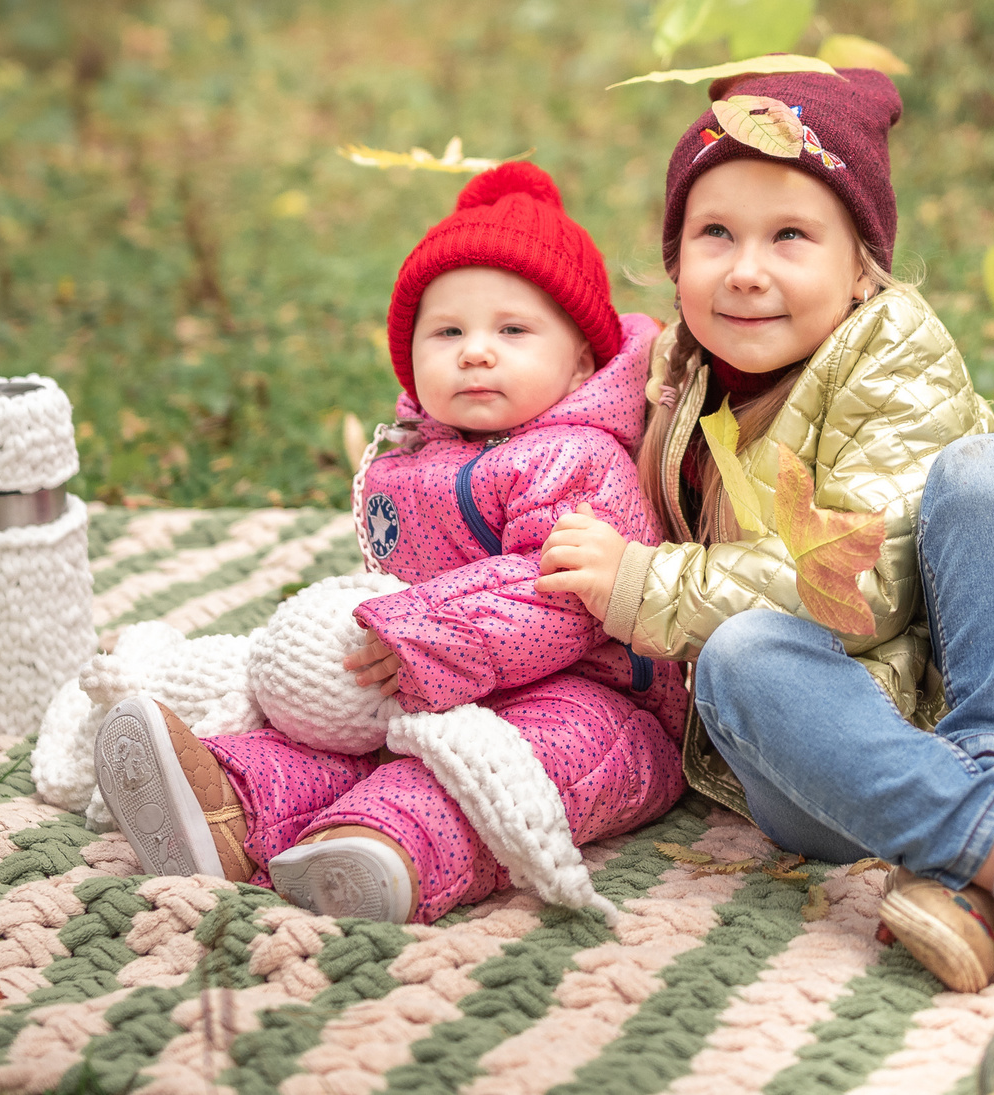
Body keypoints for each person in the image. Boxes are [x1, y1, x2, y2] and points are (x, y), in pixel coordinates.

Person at [535, 68, 994, 990]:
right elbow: (546, 409)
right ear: (675, 258)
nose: (746, 268)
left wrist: (646, 587)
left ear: (860, 270)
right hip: (838, 763)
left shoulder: (894, 349)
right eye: (715, 233)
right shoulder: (673, 372)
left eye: (791, 236)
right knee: (739, 655)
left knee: (989, 470)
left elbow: (859, 583)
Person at [96, 163, 685, 922]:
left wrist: (421, 638)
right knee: (333, 732)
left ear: (580, 361)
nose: (476, 351)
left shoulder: (576, 456)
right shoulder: (411, 459)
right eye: (448, 332)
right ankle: (230, 802)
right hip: (426, 670)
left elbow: (562, 594)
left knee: (487, 768)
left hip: (592, 698)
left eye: (512, 330)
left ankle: (384, 848)